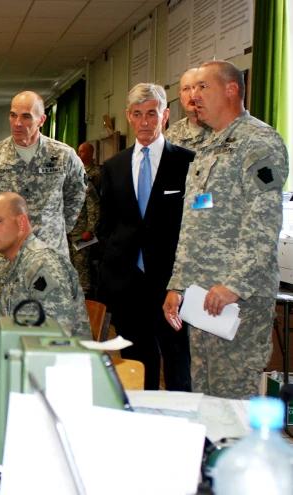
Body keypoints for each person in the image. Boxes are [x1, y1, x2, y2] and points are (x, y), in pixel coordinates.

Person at [163, 61, 289, 399]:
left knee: (233, 400)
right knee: (205, 398)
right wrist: (178, 285)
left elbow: (264, 221)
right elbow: (192, 226)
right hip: (202, 297)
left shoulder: (258, 142)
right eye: (190, 88)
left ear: (231, 90)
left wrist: (235, 284)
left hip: (237, 300)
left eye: (203, 87)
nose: (194, 96)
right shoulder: (207, 146)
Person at [99, 83, 194, 392]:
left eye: (151, 114)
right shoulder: (113, 166)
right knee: (137, 363)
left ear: (165, 115)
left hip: (171, 285)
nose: (144, 122)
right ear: (128, 116)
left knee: (177, 361)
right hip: (127, 283)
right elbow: (107, 223)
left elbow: (193, 225)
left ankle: (181, 429)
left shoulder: (187, 162)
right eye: (137, 114)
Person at [0, 91, 86, 329]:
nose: (18, 123)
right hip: (4, 262)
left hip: (50, 259)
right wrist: (0, 235)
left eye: (26, 117)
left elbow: (76, 196)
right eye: (13, 115)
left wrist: (56, 229)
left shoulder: (63, 156)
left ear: (42, 120)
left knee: (54, 328)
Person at [0, 192, 91, 339]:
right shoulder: (18, 261)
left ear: (21, 223)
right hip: (21, 354)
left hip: (48, 359)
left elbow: (60, 337)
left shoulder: (42, 264)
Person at [164, 68, 213, 152]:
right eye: (186, 89)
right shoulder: (171, 135)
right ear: (180, 96)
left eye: (197, 88)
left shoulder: (221, 128)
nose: (192, 95)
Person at [67, 182, 99, 300]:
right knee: (69, 266)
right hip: (66, 234)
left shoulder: (84, 184)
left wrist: (90, 230)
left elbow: (93, 208)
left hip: (82, 234)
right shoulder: (61, 183)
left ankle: (85, 298)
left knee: (82, 267)